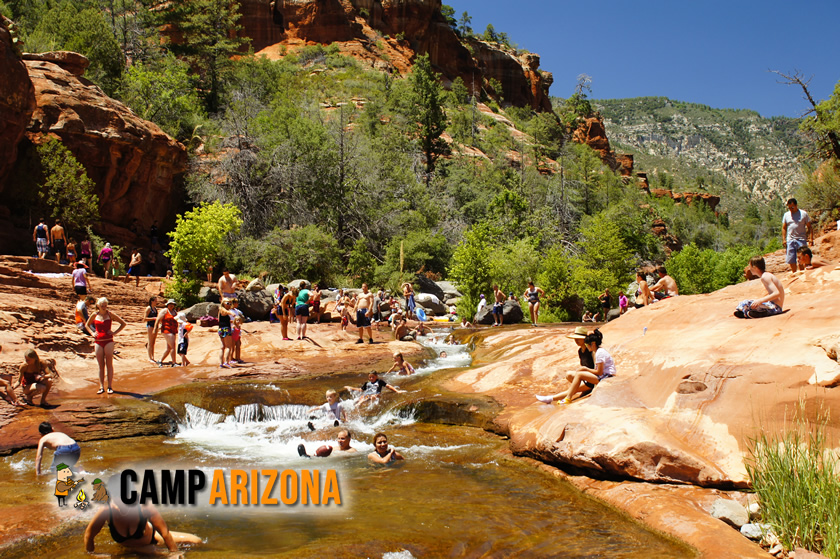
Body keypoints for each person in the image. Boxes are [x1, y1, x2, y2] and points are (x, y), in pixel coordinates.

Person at [84, 479, 201, 554]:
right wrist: (92, 555)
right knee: (154, 553)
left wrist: (174, 552)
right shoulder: (106, 510)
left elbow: (164, 532)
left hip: (152, 540)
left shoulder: (144, 505)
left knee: (196, 541)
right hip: (136, 548)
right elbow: (89, 534)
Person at [535, 329, 615, 405]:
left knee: (576, 381)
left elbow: (598, 371)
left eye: (579, 339)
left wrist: (586, 372)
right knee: (571, 375)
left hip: (601, 377)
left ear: (591, 343)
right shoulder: (582, 351)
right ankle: (578, 390)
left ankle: (556, 398)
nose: (576, 341)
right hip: (595, 376)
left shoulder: (596, 353)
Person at [84, 297, 127, 394]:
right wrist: (92, 333)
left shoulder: (110, 314)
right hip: (98, 341)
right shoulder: (94, 314)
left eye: (105, 305)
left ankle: (110, 386)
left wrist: (114, 332)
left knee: (109, 364)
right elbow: (87, 325)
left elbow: (123, 323)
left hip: (109, 341)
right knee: (101, 365)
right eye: (102, 305)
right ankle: (101, 386)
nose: (104, 307)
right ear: (98, 305)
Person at [782, 198, 814, 273]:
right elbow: (784, 227)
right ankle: (794, 273)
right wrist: (784, 239)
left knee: (802, 258)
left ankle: (802, 272)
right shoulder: (786, 215)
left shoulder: (803, 214)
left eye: (792, 207)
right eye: (789, 208)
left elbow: (809, 227)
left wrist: (810, 238)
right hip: (790, 240)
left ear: (796, 205)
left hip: (801, 239)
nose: (791, 209)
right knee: (791, 258)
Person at [154, 299, 179, 366]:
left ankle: (160, 360)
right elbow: (158, 319)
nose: (171, 305)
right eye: (170, 304)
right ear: (167, 305)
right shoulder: (164, 311)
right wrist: (155, 328)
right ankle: (174, 362)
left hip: (173, 330)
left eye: (172, 304)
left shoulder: (174, 312)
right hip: (166, 330)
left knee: (169, 348)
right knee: (173, 347)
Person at [218, 298, 235, 368]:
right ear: (223, 303)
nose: (229, 305)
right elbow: (226, 312)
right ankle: (226, 362)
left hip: (221, 329)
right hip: (226, 329)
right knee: (228, 346)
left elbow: (220, 320)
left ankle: (221, 363)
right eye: (227, 303)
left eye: (230, 304)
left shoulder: (221, 311)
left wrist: (230, 321)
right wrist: (232, 313)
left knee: (222, 347)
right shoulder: (222, 309)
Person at [143, 296, 159, 364]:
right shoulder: (148, 308)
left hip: (155, 326)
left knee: (153, 342)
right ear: (152, 301)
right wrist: (153, 318)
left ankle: (152, 357)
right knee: (150, 341)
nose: (156, 302)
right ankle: (150, 358)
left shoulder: (155, 309)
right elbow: (144, 318)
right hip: (150, 326)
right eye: (155, 301)